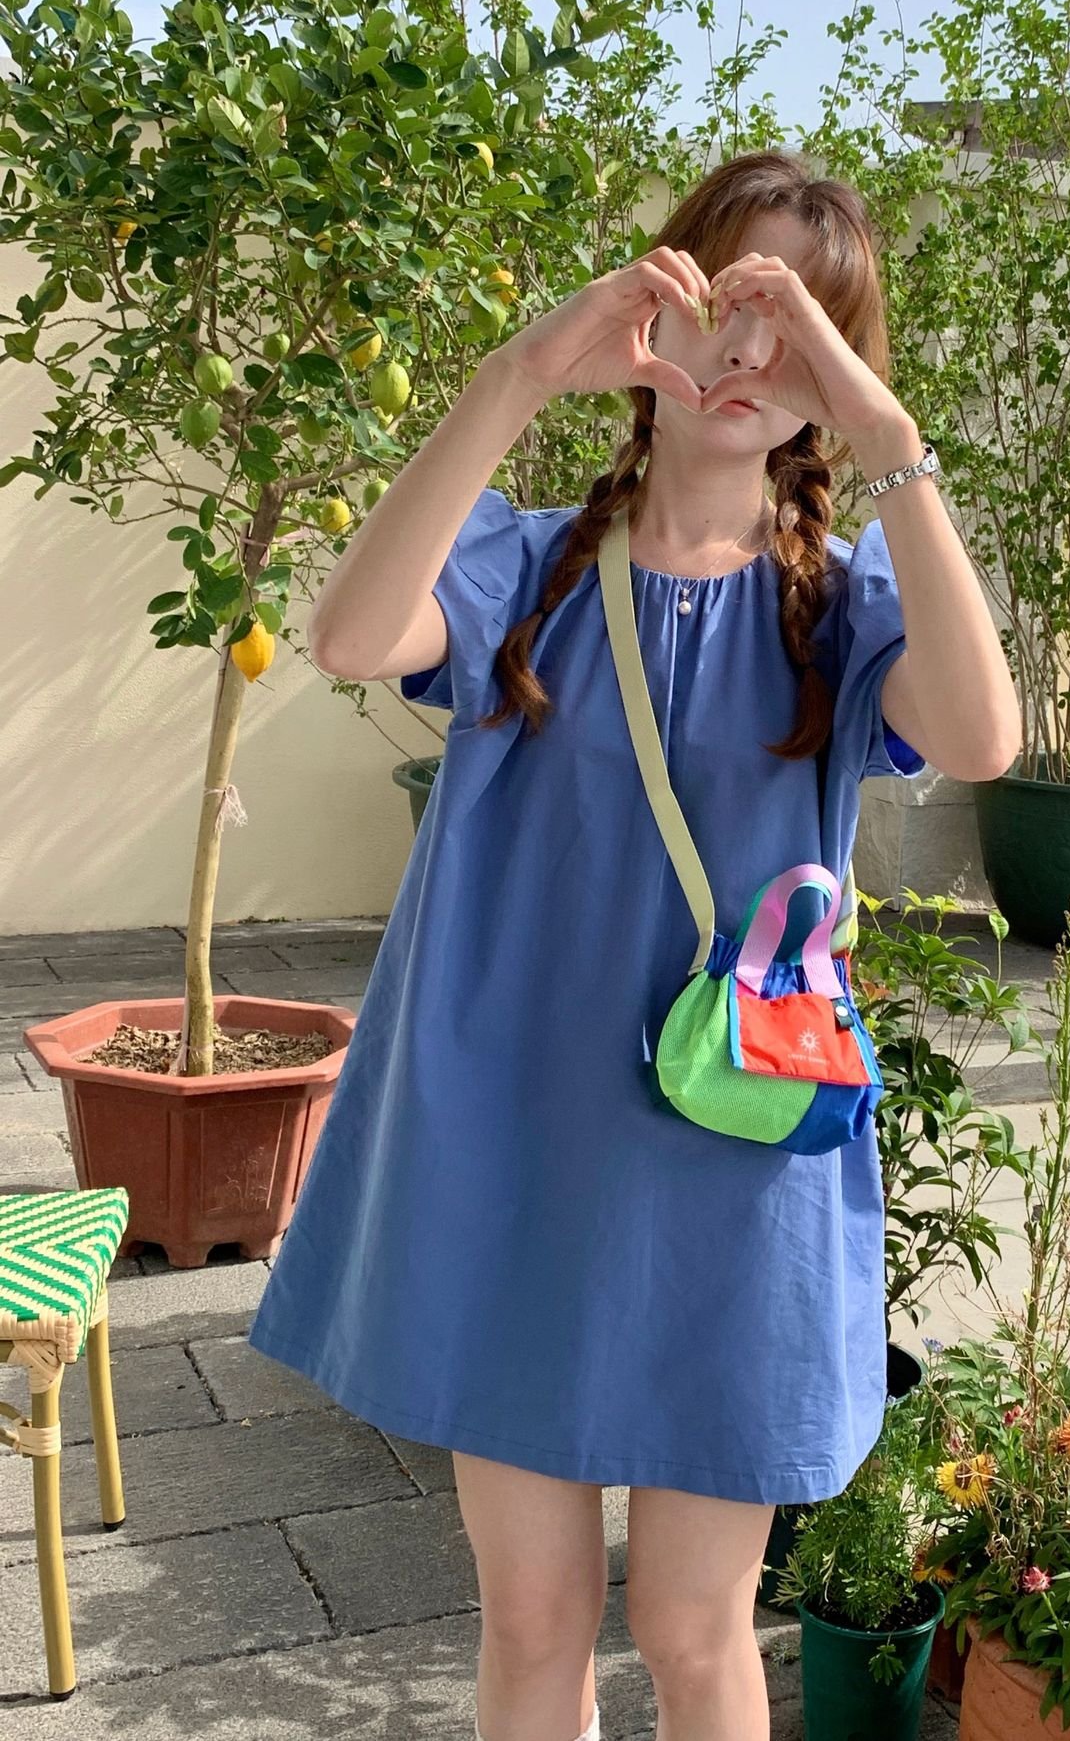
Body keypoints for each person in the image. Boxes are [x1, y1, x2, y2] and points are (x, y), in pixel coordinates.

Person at [246, 148, 1021, 1741]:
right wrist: (522, 371)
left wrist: (892, 441)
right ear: (659, 301)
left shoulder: (839, 608)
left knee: (693, 1626)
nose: (751, 354)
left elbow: (982, 737)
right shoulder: (525, 565)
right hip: (511, 1148)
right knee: (531, 1620)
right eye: (732, 297)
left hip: (731, 1165)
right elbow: (348, 634)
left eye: (799, 326)